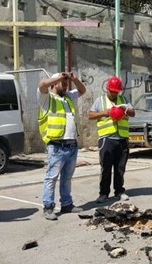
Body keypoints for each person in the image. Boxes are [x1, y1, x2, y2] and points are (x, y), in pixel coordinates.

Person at [38, 71, 86, 220]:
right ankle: (48, 206)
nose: (66, 85)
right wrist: (58, 77)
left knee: (67, 178)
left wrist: (74, 79)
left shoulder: (68, 97)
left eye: (67, 83)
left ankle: (66, 204)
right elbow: (41, 85)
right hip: (57, 145)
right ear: (55, 83)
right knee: (51, 177)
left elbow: (82, 90)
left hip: (71, 145)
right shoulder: (46, 98)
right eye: (63, 83)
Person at [87, 76, 135, 203]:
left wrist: (124, 109)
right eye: (112, 91)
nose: (113, 93)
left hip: (122, 139)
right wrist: (105, 113)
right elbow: (90, 115)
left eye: (116, 91)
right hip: (106, 139)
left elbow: (132, 113)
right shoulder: (100, 100)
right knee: (106, 167)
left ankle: (119, 191)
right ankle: (103, 193)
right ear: (107, 89)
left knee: (120, 168)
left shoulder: (123, 99)